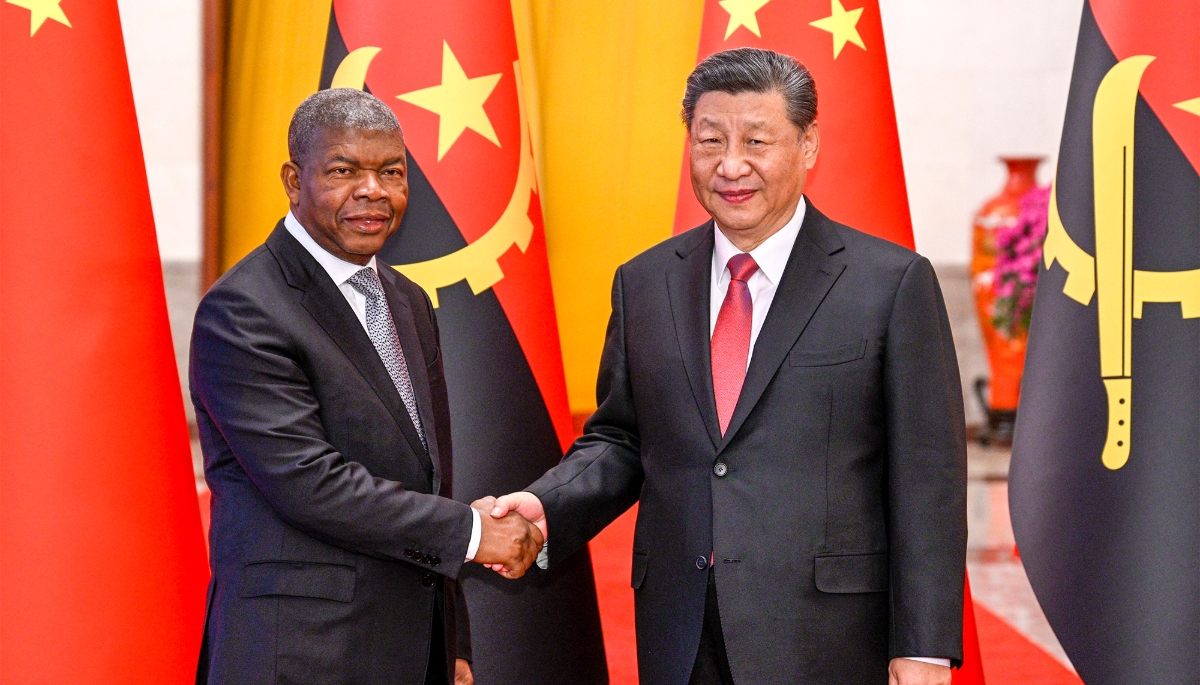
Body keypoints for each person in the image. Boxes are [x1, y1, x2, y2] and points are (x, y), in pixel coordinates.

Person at [486, 48, 967, 685]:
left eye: (756, 141)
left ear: (808, 144)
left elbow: (927, 478)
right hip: (681, 629)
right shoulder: (645, 282)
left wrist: (925, 646)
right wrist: (549, 505)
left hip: (827, 636)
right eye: (710, 140)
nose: (730, 165)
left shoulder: (889, 283)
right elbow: (623, 438)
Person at [190, 89, 544, 685]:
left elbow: (428, 476)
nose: (373, 190)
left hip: (409, 645)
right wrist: (477, 534)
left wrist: (449, 638)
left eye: (391, 172)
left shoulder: (407, 299)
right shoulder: (244, 309)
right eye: (343, 170)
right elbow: (311, 483)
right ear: (292, 179)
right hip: (300, 654)